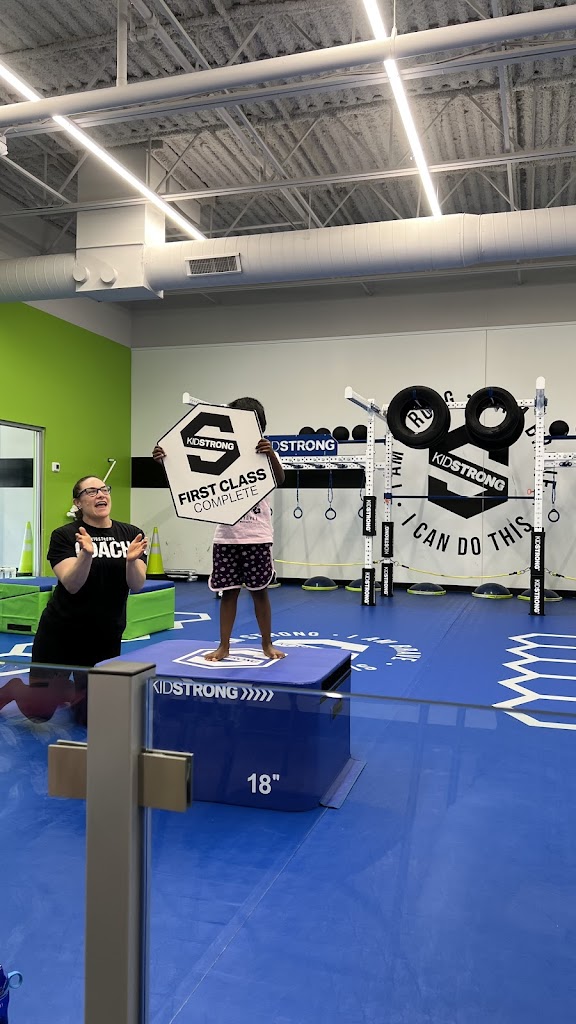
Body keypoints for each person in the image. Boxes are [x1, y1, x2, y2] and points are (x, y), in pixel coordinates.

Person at [3, 476, 148, 724]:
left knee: (89, 719)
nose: (100, 494)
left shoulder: (131, 534)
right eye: (91, 491)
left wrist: (131, 561)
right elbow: (72, 584)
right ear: (77, 502)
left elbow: (136, 584)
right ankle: (15, 688)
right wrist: (86, 555)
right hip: (61, 634)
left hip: (104, 636)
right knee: (39, 713)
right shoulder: (66, 535)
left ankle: (68, 692)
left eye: (104, 489)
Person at [153, 397, 286, 662]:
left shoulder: (265, 450)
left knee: (260, 592)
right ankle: (224, 646)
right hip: (226, 537)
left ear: (258, 424)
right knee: (228, 593)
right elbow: (190, 473)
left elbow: (279, 479)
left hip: (257, 536)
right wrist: (167, 459)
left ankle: (267, 644)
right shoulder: (220, 451)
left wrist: (270, 454)